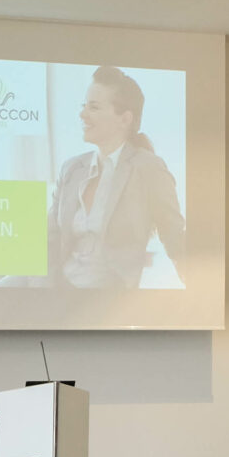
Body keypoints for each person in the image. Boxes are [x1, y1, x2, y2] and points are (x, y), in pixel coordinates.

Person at [44, 65, 185, 289]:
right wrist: (41, 290)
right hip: (58, 289)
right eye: (84, 106)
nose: (82, 114)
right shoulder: (71, 169)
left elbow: (175, 238)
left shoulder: (148, 169)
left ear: (125, 119)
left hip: (106, 297)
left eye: (94, 107)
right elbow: (49, 239)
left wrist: (202, 296)